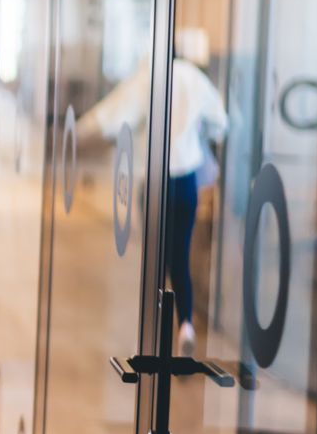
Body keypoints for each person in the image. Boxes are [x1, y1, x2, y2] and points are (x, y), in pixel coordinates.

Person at [77, 28, 228, 356]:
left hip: (156, 183)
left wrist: (76, 130)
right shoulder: (195, 80)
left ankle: (152, 335)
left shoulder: (149, 78)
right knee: (181, 257)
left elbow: (113, 113)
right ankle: (185, 325)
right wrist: (197, 131)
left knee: (155, 261)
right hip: (186, 180)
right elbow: (221, 121)